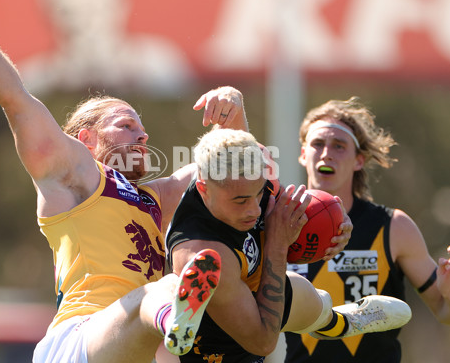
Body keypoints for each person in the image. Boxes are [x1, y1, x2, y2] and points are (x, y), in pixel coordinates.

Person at [0, 0, 247, 363]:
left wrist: (234, 112)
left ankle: (176, 320)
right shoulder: (74, 176)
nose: (142, 135)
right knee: (164, 292)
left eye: (142, 127)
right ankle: (175, 318)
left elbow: (228, 170)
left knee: (171, 304)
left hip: (134, 346)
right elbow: (14, 97)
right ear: (86, 140)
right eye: (126, 125)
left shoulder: (156, 198)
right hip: (80, 340)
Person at [165, 128, 412, 363]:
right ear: (203, 189)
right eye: (240, 201)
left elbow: (278, 197)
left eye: (258, 193)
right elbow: (262, 342)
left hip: (254, 290)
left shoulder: (250, 165)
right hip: (226, 348)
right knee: (156, 296)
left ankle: (345, 322)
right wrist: (277, 243)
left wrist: (335, 224)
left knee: (309, 293)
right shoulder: (203, 253)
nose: (254, 209)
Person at [281, 97, 450, 362]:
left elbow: (448, 315)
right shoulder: (280, 224)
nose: (326, 153)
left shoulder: (394, 227)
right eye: (317, 144)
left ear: (359, 160)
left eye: (339, 146)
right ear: (303, 154)